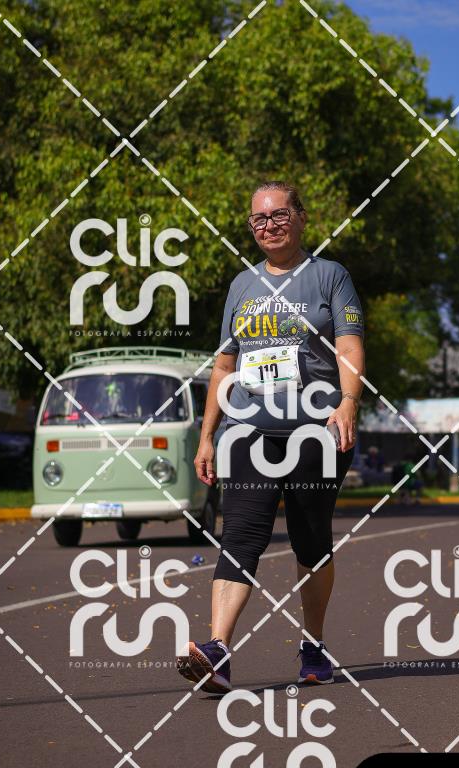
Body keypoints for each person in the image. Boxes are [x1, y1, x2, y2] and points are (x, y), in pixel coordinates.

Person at [177, 181, 365, 693]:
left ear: (301, 217)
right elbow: (224, 366)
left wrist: (349, 400)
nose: (269, 226)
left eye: (279, 214)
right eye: (259, 219)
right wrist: (208, 435)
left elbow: (349, 345)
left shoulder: (330, 276)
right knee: (240, 534)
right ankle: (217, 651)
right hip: (248, 429)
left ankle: (314, 644)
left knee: (310, 539)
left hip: (316, 431)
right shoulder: (242, 285)